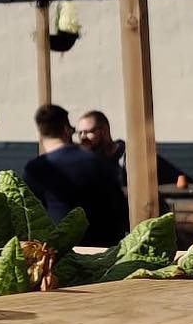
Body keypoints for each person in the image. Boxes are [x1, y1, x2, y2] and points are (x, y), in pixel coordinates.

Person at [23, 103, 129, 245]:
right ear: (66, 130)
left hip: (59, 254)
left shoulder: (34, 170)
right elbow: (120, 209)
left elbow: (29, 219)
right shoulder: (97, 162)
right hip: (103, 251)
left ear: (41, 133)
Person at [75, 109, 188, 188]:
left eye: (87, 132)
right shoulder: (88, 160)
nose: (83, 138)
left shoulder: (131, 155)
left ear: (104, 131)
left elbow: (176, 179)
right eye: (79, 133)